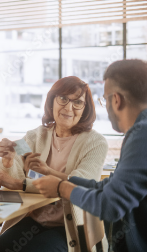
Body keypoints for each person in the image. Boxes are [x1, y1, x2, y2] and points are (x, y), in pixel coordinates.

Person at [33, 59, 147, 252]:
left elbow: (110, 205)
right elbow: (106, 187)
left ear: (116, 100)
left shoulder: (141, 135)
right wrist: (57, 177)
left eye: (105, 99)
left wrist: (62, 188)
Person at [0, 76, 108, 252]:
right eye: (63, 98)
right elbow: (13, 178)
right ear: (52, 102)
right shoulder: (36, 135)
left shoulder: (96, 142)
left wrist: (46, 171)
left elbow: (82, 183)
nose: (69, 107)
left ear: (85, 109)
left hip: (68, 226)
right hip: (34, 220)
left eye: (78, 102)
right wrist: (9, 160)